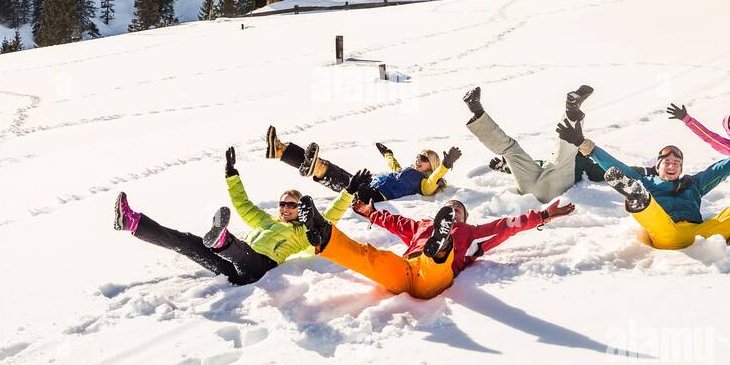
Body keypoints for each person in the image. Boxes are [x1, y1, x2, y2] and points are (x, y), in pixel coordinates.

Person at [112, 147, 352, 284]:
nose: (286, 207)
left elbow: (330, 217)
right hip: (229, 267)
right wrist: (231, 174)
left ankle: (221, 241)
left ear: (300, 208)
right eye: (282, 203)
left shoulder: (303, 233)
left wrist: (348, 192)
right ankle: (131, 222)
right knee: (184, 242)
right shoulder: (266, 221)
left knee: (241, 251)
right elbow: (243, 204)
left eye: (292, 204)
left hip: (257, 268)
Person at [575, 116, 730, 250]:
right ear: (657, 166)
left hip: (699, 233)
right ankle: (636, 198)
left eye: (676, 163)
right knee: (655, 216)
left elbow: (724, 167)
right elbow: (613, 165)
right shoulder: (646, 181)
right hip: (666, 234)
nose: (672, 165)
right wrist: (586, 146)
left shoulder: (693, 184)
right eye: (666, 162)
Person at [296, 191, 575, 300]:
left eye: (457, 210)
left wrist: (543, 215)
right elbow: (393, 222)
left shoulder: (472, 233)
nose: (454, 209)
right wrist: (371, 213)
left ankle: (441, 247)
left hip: (434, 276)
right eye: (449, 207)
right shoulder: (420, 226)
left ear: (463, 217)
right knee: (370, 257)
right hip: (405, 269)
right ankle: (323, 234)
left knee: (435, 262)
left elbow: (506, 226)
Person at [463, 84, 605, 202]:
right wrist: (505, 166)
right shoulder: (578, 163)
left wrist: (505, 167)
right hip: (539, 189)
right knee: (512, 151)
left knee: (513, 150)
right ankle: (478, 110)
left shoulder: (579, 161)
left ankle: (573, 108)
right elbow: (605, 172)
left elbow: (605, 172)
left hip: (542, 190)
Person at [266, 125, 459, 204]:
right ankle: (281, 151)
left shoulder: (425, 184)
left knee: (335, 175)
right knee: (330, 169)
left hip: (375, 197)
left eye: (424, 159)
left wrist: (445, 165)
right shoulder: (405, 171)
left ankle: (289, 155)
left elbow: (434, 180)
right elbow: (394, 166)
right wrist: (387, 153)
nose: (419, 160)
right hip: (369, 185)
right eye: (419, 156)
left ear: (430, 166)